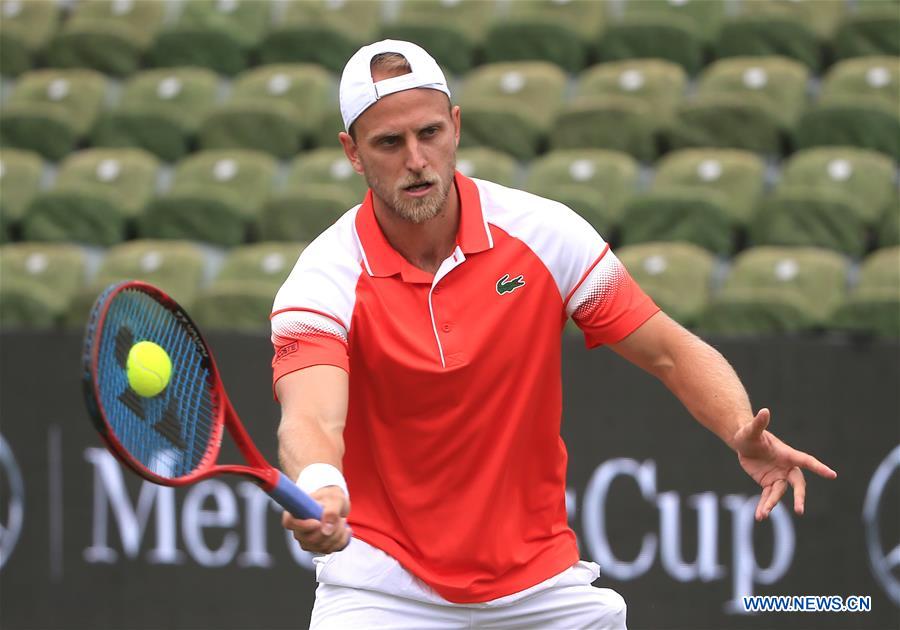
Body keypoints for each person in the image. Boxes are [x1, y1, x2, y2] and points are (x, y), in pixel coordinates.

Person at [271, 40, 837, 629]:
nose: (416, 159)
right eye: (389, 142)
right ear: (352, 154)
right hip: (381, 592)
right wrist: (321, 484)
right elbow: (312, 417)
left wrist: (737, 429)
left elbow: (670, 350)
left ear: (456, 127)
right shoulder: (323, 279)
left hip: (541, 589)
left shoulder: (543, 233)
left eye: (430, 133)